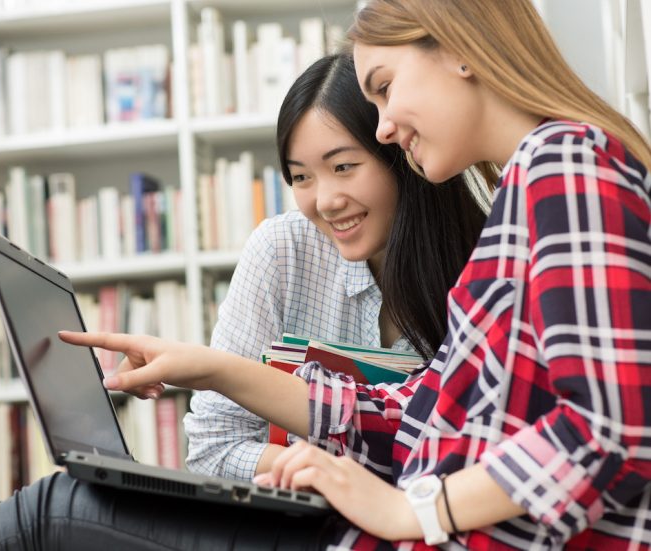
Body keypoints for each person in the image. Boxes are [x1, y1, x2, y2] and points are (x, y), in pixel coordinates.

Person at [0, 0, 649, 549]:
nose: (388, 124)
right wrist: (212, 369)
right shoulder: (527, 190)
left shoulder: (564, 162)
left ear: (459, 49)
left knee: (55, 512)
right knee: (62, 507)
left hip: (413, 534)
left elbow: (613, 429)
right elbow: (411, 418)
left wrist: (411, 508)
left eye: (387, 87)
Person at [185, 52, 485, 479]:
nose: (325, 201)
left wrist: (338, 475)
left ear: (402, 153)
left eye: (343, 167)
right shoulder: (283, 250)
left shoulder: (481, 262)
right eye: (302, 178)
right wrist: (323, 476)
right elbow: (211, 449)